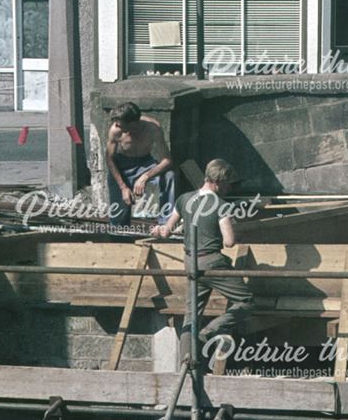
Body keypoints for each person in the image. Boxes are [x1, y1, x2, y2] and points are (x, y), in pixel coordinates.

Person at [152, 159, 253, 362]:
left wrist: (158, 230)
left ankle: (187, 361)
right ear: (217, 182)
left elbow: (166, 230)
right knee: (246, 301)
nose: (229, 187)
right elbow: (229, 242)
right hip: (213, 263)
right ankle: (209, 332)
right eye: (227, 183)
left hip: (190, 262)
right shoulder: (221, 205)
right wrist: (237, 230)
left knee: (191, 315)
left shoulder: (184, 199)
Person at [105, 102, 175, 229]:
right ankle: (120, 233)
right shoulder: (115, 131)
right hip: (122, 166)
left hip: (145, 163)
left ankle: (166, 223)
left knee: (169, 175)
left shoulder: (153, 129)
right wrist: (123, 187)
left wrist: (145, 176)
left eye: (120, 124)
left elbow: (167, 160)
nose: (117, 126)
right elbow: (109, 159)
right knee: (118, 218)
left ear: (132, 124)